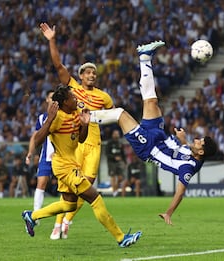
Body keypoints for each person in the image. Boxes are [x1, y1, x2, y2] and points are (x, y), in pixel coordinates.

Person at [89, 41, 218, 225]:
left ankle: (84, 117)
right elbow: (187, 149)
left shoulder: (188, 168)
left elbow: (180, 192)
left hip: (148, 147)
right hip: (160, 137)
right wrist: (185, 141)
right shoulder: (194, 151)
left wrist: (169, 213)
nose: (197, 140)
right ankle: (145, 57)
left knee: (120, 114)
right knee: (152, 102)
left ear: (201, 152)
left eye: (200, 142)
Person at [21, 85, 141, 248]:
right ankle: (121, 238)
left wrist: (84, 125)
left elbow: (81, 140)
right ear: (65, 102)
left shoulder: (76, 114)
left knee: (69, 204)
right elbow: (37, 140)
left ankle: (32, 216)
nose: (76, 99)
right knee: (95, 198)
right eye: (72, 97)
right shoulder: (57, 118)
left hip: (70, 164)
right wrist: (49, 120)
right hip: (65, 168)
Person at [39, 22, 114, 240]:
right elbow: (58, 64)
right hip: (74, 145)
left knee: (87, 187)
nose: (92, 75)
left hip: (93, 143)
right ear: (81, 75)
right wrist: (52, 40)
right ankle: (57, 223)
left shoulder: (104, 97)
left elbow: (112, 114)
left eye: (94, 73)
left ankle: (67, 222)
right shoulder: (72, 88)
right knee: (71, 190)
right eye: (88, 72)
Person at [26, 90, 57, 211]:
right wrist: (30, 152)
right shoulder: (41, 118)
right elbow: (34, 137)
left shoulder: (63, 115)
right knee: (41, 184)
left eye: (55, 97)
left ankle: (66, 217)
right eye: (51, 97)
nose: (53, 99)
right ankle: (36, 214)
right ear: (47, 99)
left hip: (61, 156)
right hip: (46, 156)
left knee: (67, 186)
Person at [106, 129, 127, 197]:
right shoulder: (109, 143)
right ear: (112, 135)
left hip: (119, 162)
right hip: (111, 162)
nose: (116, 135)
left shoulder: (120, 143)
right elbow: (107, 153)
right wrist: (114, 157)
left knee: (121, 177)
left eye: (117, 134)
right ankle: (114, 191)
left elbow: (123, 153)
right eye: (115, 134)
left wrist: (125, 162)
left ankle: (116, 187)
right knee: (113, 176)